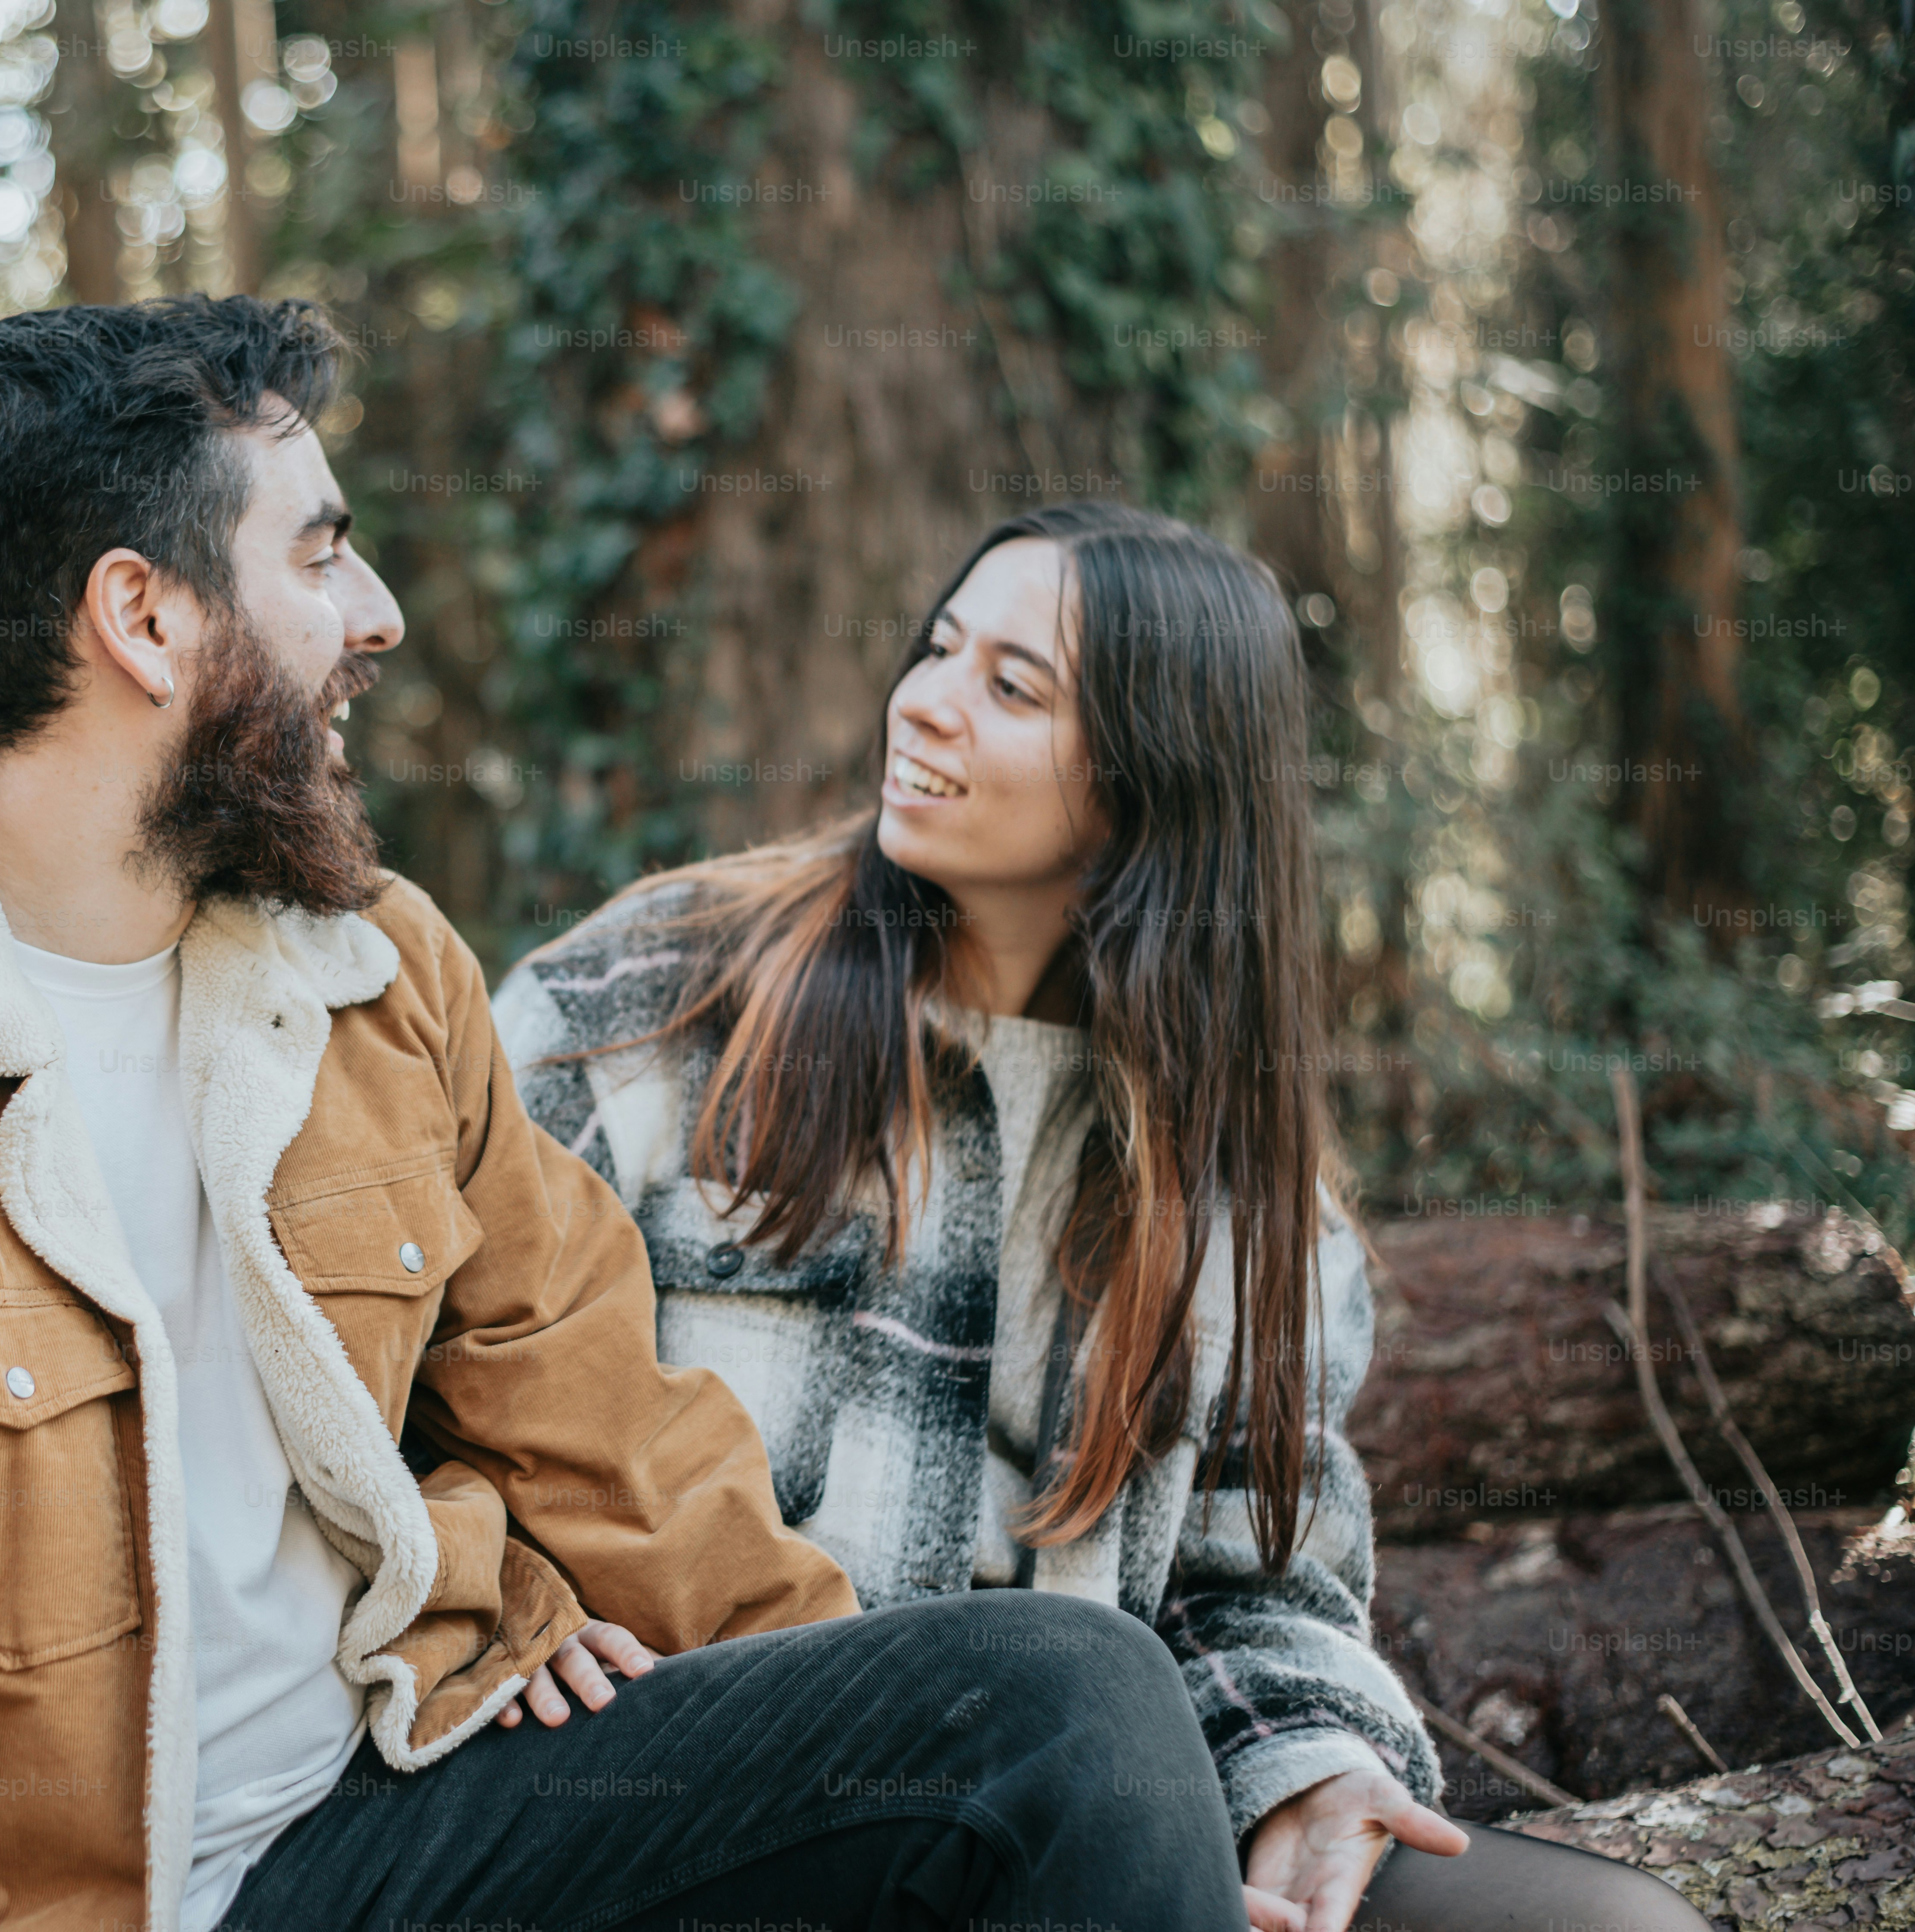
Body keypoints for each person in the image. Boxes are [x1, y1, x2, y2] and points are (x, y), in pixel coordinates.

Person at [0, 304, 1258, 1932]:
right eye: (319, 550)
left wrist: (898, 1777)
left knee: (1064, 1714)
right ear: (141, 620)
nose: (377, 612)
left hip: (369, 1845)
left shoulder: (376, 974)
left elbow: (632, 1465)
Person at [494, 502, 1720, 1932]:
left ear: (1157, 783)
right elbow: (434, 1377)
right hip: (698, 1801)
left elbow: (1252, 1584)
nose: (925, 706)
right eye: (940, 649)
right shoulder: (655, 1005)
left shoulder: (1240, 1184)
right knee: (1072, 1700)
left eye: (1012, 688)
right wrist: (502, 1588)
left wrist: (1313, 1775)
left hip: (1078, 1832)